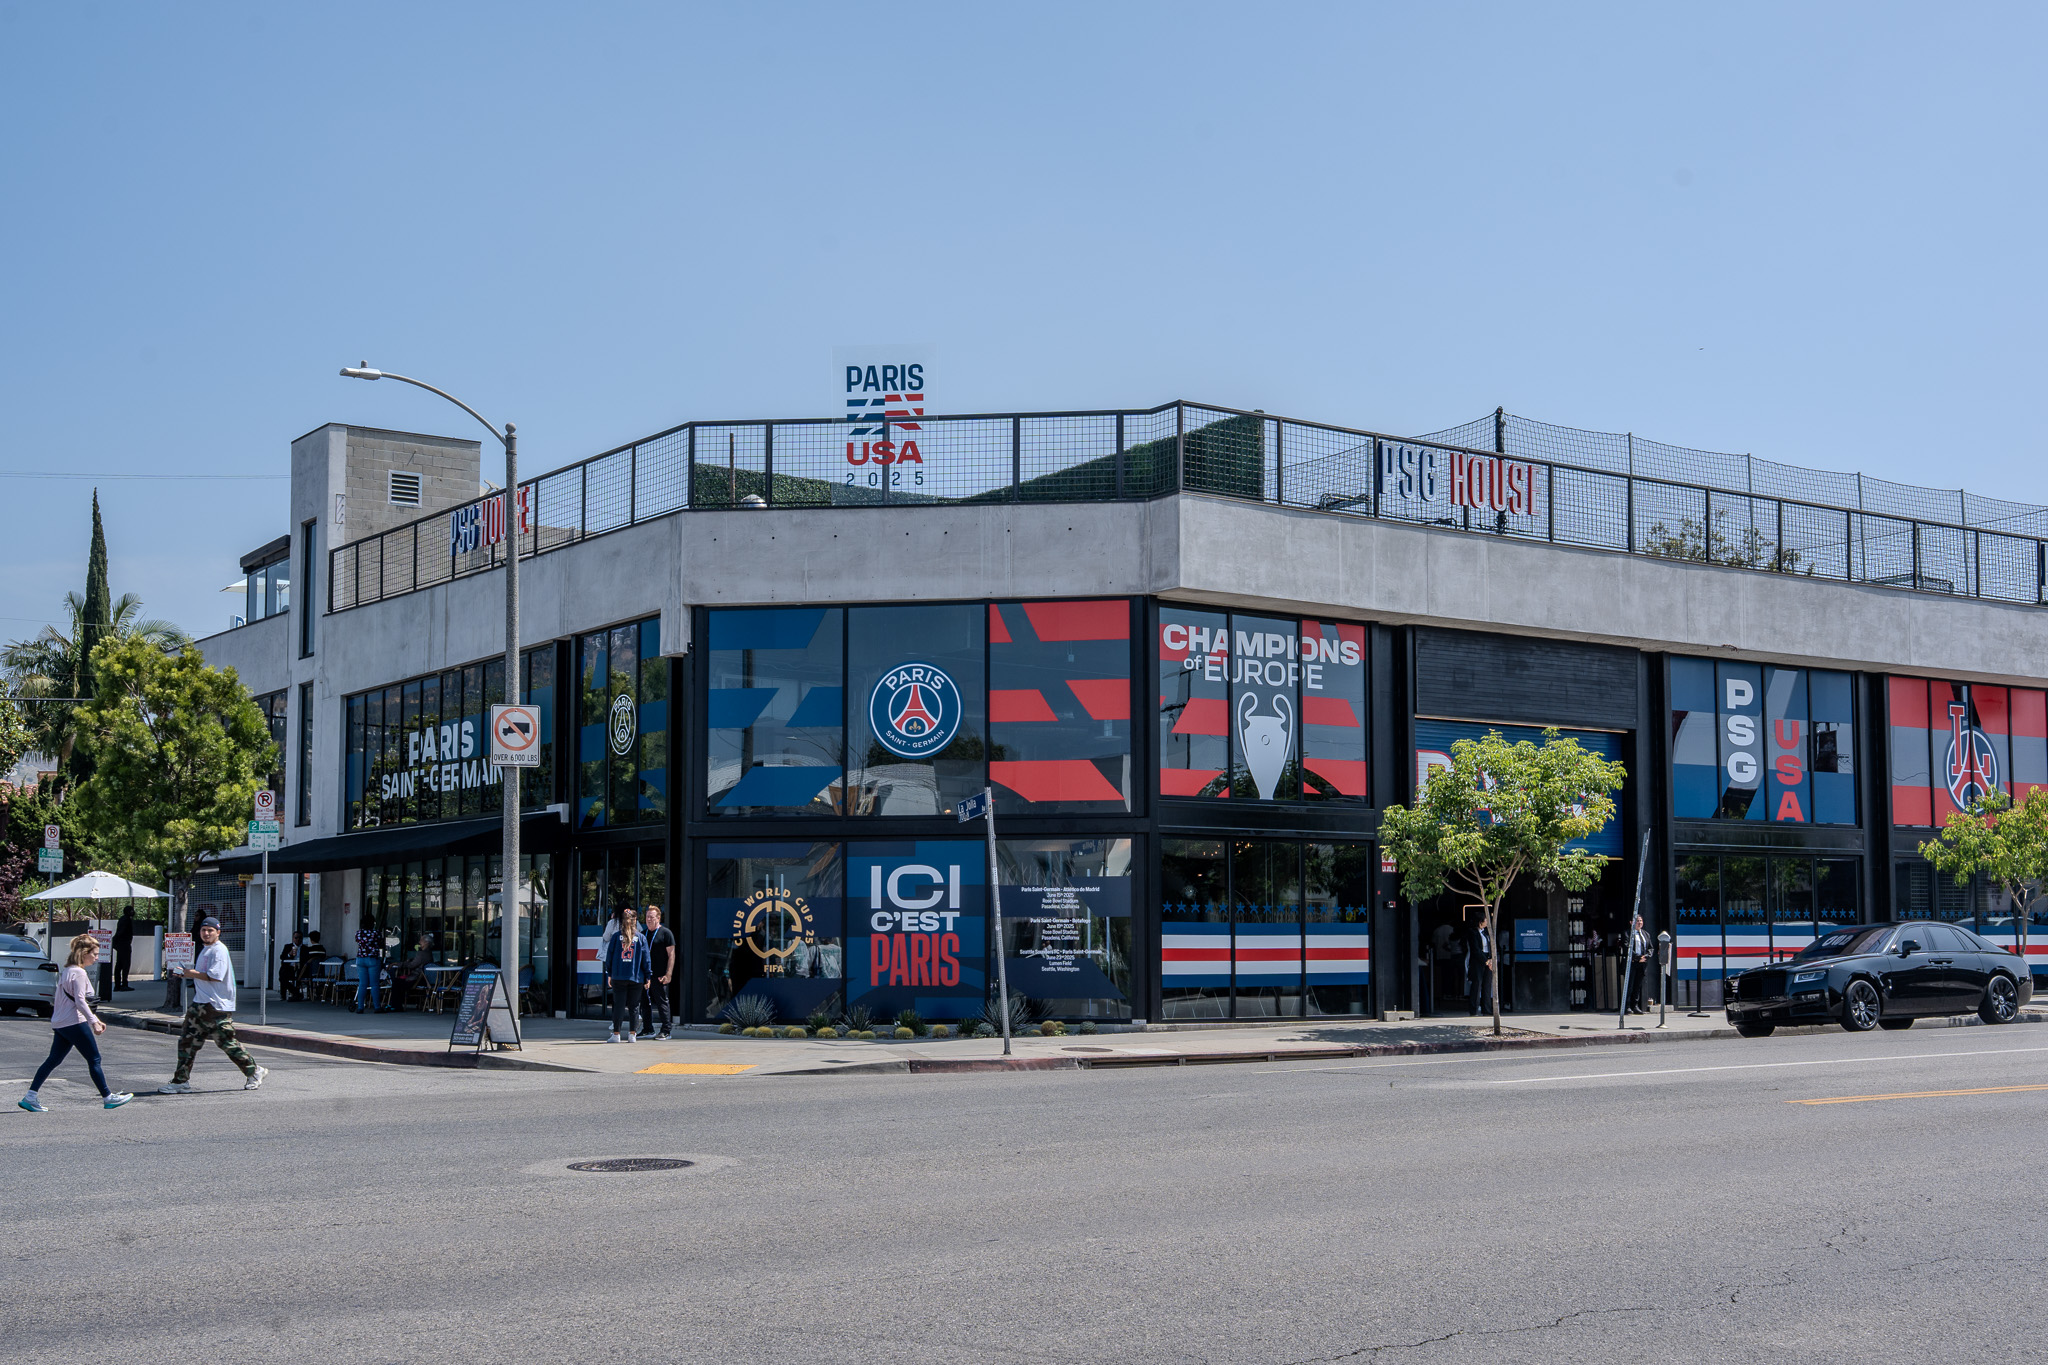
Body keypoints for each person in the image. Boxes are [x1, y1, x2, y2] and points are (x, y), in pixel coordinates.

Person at [19, 934, 132, 1111]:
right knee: (94, 1058)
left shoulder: (67, 971)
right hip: (74, 1022)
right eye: (94, 954)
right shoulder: (79, 973)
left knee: (53, 1060)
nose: (96, 958)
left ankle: (30, 1096)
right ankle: (108, 1097)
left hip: (60, 1022)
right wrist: (94, 1020)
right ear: (83, 953)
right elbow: (80, 1001)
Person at [158, 917, 266, 1094]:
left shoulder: (219, 951)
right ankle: (180, 1081)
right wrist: (186, 973)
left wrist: (189, 973)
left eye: (210, 930)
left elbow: (214, 976)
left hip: (216, 1007)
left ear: (218, 932)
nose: (206, 933)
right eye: (203, 930)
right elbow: (203, 974)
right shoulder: (206, 950)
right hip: (200, 1004)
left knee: (226, 1043)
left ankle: (254, 1071)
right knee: (187, 1042)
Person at [603, 907, 649, 1043]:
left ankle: (616, 1034)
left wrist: (609, 973)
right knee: (634, 1006)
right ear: (635, 921)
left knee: (618, 1005)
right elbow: (646, 959)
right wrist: (648, 976)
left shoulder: (616, 937)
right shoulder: (641, 938)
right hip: (636, 977)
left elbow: (609, 956)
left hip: (618, 976)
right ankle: (632, 1034)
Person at [640, 905, 675, 1041]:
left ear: (658, 918)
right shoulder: (643, 934)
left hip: (660, 974)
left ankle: (666, 1030)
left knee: (661, 1002)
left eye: (652, 917)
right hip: (645, 975)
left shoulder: (666, 933)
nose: (649, 919)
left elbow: (671, 955)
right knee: (644, 1002)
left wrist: (669, 974)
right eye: (647, 917)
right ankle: (648, 1029)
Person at [353, 913, 384, 1013]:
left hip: (360, 958)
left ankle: (360, 1007)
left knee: (362, 984)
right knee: (374, 984)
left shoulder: (359, 933)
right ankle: (377, 1007)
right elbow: (381, 944)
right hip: (372, 958)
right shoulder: (376, 933)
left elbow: (358, 941)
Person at [1626, 913, 1652, 1014]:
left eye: (1640, 921)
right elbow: (1626, 948)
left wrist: (1646, 956)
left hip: (1642, 964)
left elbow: (1651, 948)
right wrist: (1637, 957)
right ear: (1631, 923)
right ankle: (1627, 1006)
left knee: (1638, 985)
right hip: (1632, 963)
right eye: (1637, 921)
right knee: (1630, 985)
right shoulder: (1628, 934)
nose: (1639, 923)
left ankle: (1635, 1005)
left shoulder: (1646, 934)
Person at [1469, 919, 1494, 1016]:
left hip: (1487, 957)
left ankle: (1486, 1009)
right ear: (1480, 922)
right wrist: (1485, 960)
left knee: (1487, 984)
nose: (1487, 923)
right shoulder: (1473, 933)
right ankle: (1473, 1009)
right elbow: (1475, 949)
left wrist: (1490, 959)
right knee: (1477, 984)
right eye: (1485, 921)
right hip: (1478, 960)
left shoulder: (1486, 932)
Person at [112, 909, 136, 991]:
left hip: (120, 944)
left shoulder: (122, 919)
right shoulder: (127, 920)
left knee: (119, 965)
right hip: (125, 944)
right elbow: (122, 931)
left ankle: (117, 985)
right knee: (125, 965)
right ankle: (124, 984)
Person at [279, 932, 305, 1002]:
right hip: (289, 967)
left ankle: (296, 993)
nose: (298, 940)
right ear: (293, 938)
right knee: (282, 975)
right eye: (296, 938)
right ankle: (294, 992)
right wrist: (289, 955)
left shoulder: (304, 948)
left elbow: (306, 959)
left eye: (300, 938)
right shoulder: (288, 946)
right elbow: (282, 957)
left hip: (300, 968)